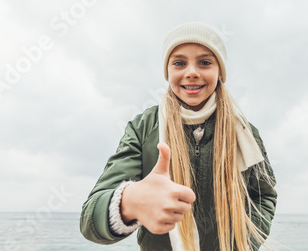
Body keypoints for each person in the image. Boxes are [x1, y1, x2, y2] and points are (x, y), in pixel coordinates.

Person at [80, 22, 277, 251]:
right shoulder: (142, 128)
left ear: (220, 71)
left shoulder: (244, 132)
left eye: (204, 62)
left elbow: (264, 197)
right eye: (179, 63)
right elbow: (89, 221)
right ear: (168, 72)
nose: (191, 72)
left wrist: (244, 244)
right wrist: (129, 201)